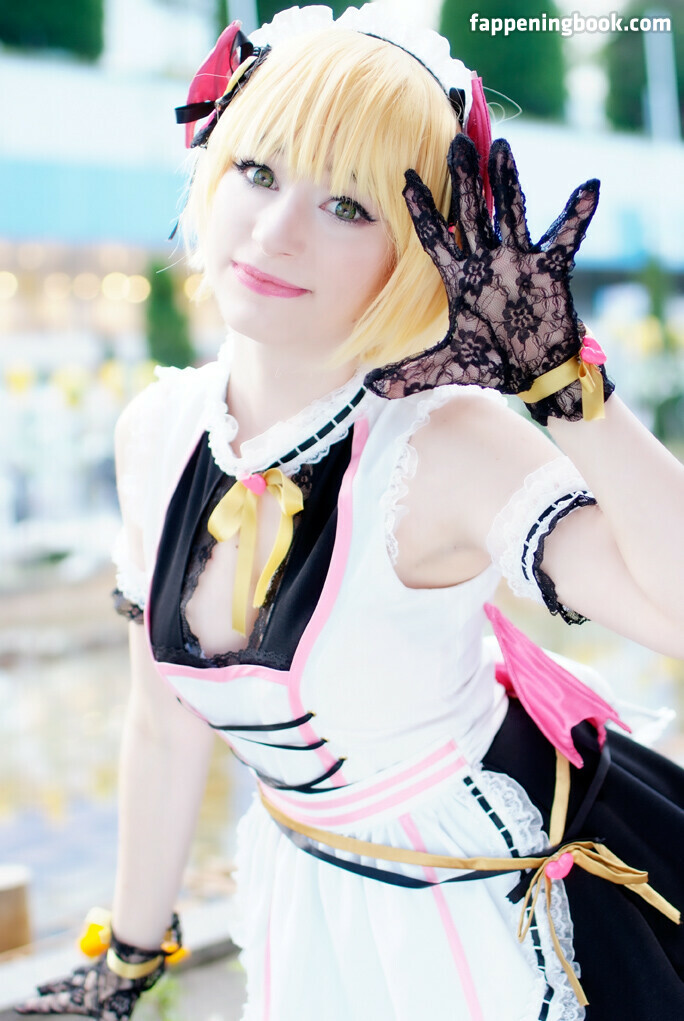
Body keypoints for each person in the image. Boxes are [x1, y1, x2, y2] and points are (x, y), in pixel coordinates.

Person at [17, 5, 684, 1020]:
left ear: (419, 250)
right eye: (258, 170)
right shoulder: (158, 429)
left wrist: (563, 383)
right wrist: (129, 958)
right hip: (308, 902)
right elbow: (162, 724)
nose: (275, 230)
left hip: (475, 914)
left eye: (348, 206)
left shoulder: (443, 443)